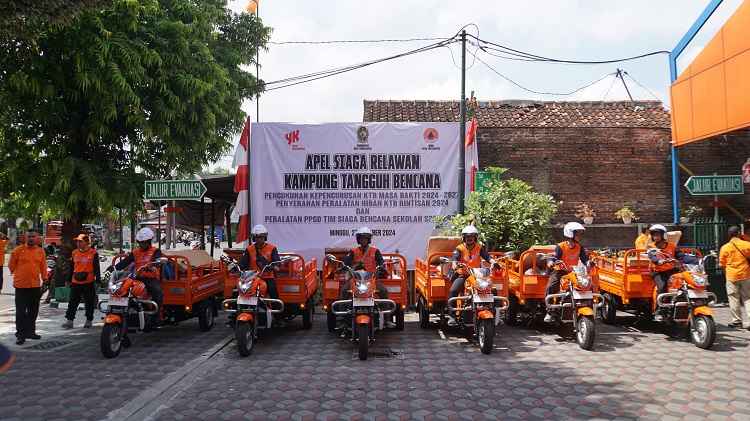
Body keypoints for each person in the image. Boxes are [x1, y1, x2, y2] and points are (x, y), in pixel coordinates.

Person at [646, 224, 697, 322]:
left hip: (671, 270)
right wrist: (658, 261)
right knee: (662, 287)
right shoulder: (651, 247)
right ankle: (659, 311)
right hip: (657, 272)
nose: (656, 237)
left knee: (684, 281)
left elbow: (681, 256)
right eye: (654, 235)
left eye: (658, 234)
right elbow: (652, 256)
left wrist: (695, 260)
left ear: (663, 235)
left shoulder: (671, 246)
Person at [113, 228, 163, 322]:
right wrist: (113, 268)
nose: (141, 244)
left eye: (143, 242)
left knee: (158, 292)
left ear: (149, 241)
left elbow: (158, 260)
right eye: (140, 242)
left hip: (151, 279)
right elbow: (125, 262)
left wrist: (156, 263)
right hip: (137, 277)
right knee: (122, 289)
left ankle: (157, 315)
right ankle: (118, 311)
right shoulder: (135, 252)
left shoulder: (155, 251)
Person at [545, 222, 590, 323]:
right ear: (570, 234)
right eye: (577, 233)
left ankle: (587, 305)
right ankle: (550, 311)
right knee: (551, 286)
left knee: (586, 284)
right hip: (560, 271)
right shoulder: (560, 246)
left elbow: (584, 258)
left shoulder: (579, 247)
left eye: (579, 234)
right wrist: (551, 262)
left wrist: (588, 263)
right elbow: (554, 256)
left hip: (573, 272)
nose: (579, 236)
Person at [8, 230, 47, 345]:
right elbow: (11, 266)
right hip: (21, 286)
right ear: (25, 238)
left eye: (33, 236)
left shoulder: (40, 251)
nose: (31, 239)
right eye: (29, 236)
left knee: (33, 311)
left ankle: (31, 332)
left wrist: (45, 278)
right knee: (20, 312)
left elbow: (43, 266)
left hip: (35, 285)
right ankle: (20, 335)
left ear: (37, 238)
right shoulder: (18, 251)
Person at [62, 234, 101, 329]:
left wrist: (98, 281)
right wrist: (68, 279)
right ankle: (69, 321)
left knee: (89, 302)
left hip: (89, 282)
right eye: (77, 241)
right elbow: (71, 267)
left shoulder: (93, 253)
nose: (78, 243)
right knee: (72, 302)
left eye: (80, 241)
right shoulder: (74, 252)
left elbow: (97, 268)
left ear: (87, 242)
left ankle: (89, 320)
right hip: (75, 282)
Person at [341, 227, 388, 299]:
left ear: (368, 239)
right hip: (355, 278)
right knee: (344, 290)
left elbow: (381, 261)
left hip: (371, 279)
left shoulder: (375, 251)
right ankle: (344, 309)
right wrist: (344, 266)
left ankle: (384, 309)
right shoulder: (353, 251)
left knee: (383, 290)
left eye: (365, 238)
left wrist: (382, 266)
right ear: (358, 240)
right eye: (361, 238)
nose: (363, 240)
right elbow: (346, 262)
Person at [719, 226, 750, 329]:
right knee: (748, 298)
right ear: (738, 233)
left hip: (731, 276)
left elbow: (722, 264)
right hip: (746, 274)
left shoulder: (725, 247)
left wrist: (727, 273)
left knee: (733, 298)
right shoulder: (746, 244)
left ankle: (737, 321)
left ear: (729, 235)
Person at [239, 225, 281, 299]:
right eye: (257, 237)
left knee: (272, 289)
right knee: (240, 289)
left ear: (265, 237)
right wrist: (236, 267)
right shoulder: (249, 249)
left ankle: (275, 307)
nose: (259, 239)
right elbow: (243, 263)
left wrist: (274, 266)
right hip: (252, 277)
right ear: (254, 238)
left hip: (267, 276)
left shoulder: (272, 248)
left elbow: (277, 263)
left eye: (261, 237)